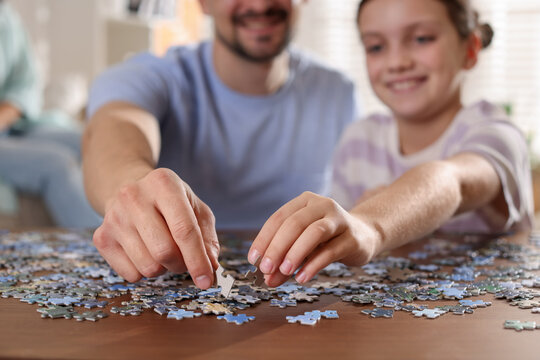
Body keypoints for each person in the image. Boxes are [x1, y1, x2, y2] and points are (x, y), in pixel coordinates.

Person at [248, 0, 534, 287]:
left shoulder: (496, 133)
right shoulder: (358, 141)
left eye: (422, 39)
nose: (397, 62)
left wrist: (370, 225)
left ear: (470, 49)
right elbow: (344, 251)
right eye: (376, 47)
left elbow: (451, 181)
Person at [83, 0, 358, 288]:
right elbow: (113, 130)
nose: (260, 4)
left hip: (299, 293)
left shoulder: (340, 93)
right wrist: (129, 184)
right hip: (170, 292)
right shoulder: (152, 76)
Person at [0, 1, 102, 228]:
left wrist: (9, 111)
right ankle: (101, 244)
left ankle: (133, 227)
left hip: (15, 124)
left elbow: (26, 82)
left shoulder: (7, 18)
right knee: (57, 163)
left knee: (92, 142)